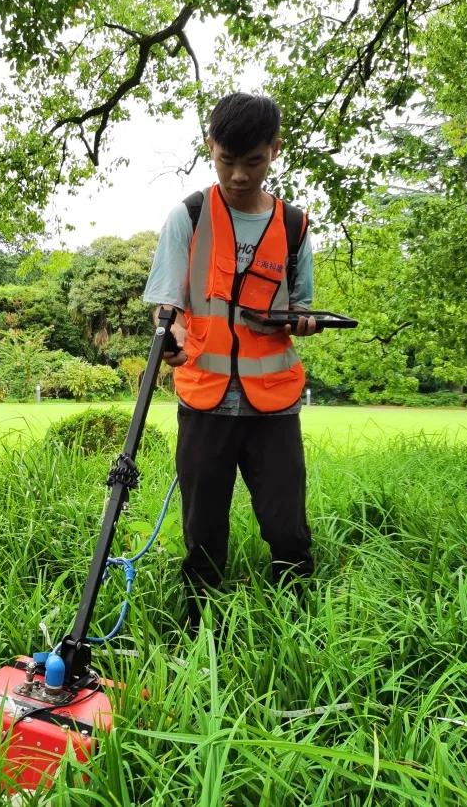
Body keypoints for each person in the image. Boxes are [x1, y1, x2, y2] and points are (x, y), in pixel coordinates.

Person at [143, 92, 320, 631]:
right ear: (210, 149)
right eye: (227, 161)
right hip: (205, 400)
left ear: (274, 151)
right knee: (203, 529)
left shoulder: (294, 226)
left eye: (253, 162)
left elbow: (302, 306)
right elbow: (168, 307)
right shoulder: (189, 216)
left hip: (273, 406)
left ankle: (298, 622)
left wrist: (302, 321)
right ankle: (199, 629)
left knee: (287, 527)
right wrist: (168, 335)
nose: (239, 175)